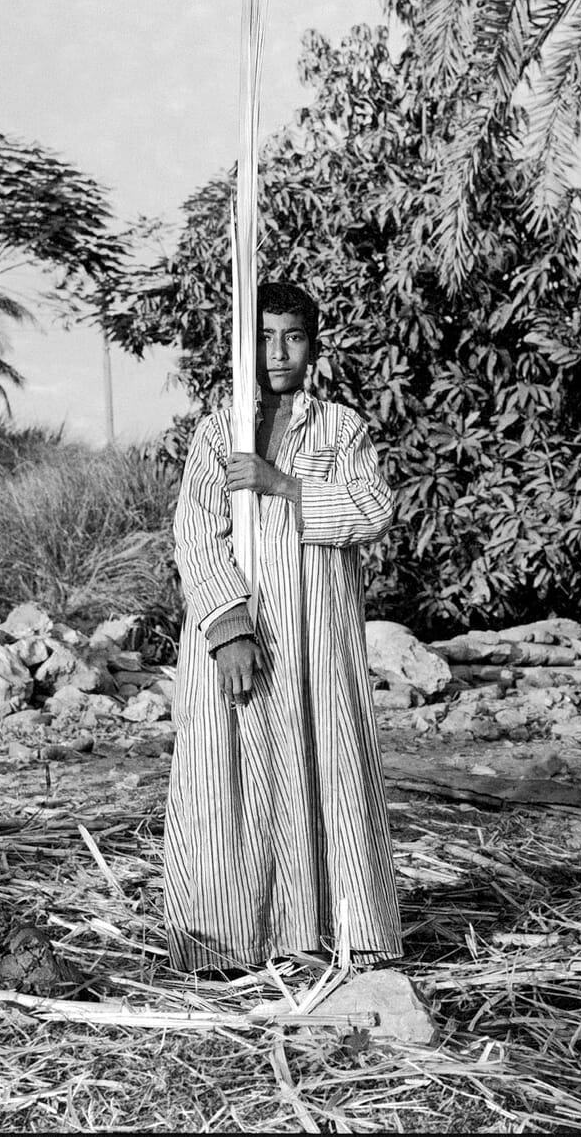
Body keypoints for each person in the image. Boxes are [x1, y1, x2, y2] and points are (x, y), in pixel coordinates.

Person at [162, 280, 403, 975]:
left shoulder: (339, 429)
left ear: (313, 345)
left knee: (323, 766)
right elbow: (195, 535)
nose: (277, 351)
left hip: (316, 640)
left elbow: (370, 511)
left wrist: (281, 483)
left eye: (292, 336)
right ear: (241, 347)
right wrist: (229, 623)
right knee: (226, 776)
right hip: (240, 640)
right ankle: (223, 942)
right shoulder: (216, 432)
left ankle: (331, 935)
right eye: (263, 337)